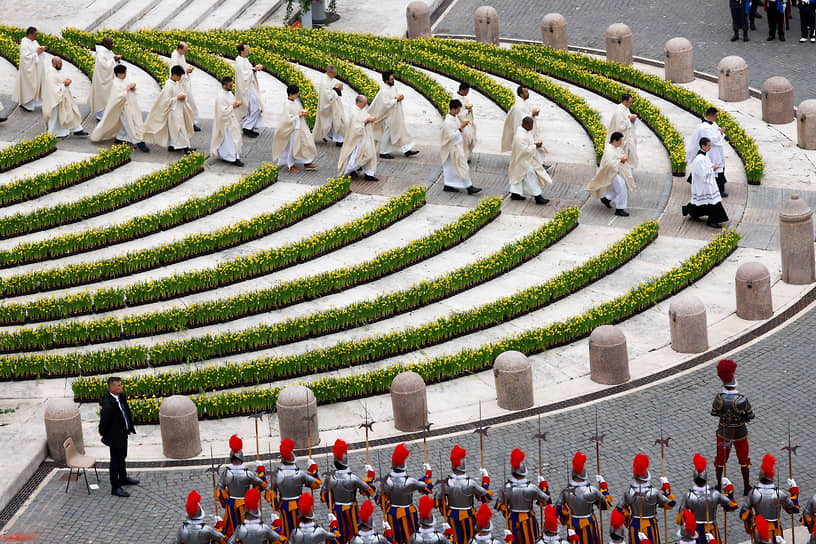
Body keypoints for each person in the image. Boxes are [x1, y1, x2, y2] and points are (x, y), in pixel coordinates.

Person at [710, 360, 754, 496]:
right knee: (744, 459)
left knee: (720, 459)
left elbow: (714, 413)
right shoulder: (742, 399)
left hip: (724, 431)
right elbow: (750, 416)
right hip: (740, 431)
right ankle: (747, 486)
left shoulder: (719, 398)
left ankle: (718, 485)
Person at [320, 439, 376, 544]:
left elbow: (324, 496)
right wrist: (370, 476)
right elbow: (369, 491)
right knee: (354, 534)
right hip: (351, 509)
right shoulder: (353, 478)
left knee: (339, 534)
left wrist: (330, 506)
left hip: (336, 509)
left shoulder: (329, 478)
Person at [675, 454, 738, 544]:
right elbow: (731, 506)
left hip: (695, 529)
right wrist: (729, 488)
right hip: (711, 528)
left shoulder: (688, 495)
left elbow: (680, 519)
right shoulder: (714, 494)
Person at [614, 454, 675, 544]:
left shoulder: (629, 491)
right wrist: (666, 488)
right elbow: (670, 504)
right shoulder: (653, 492)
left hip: (634, 525)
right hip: (650, 525)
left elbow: (619, 510)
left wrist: (627, 521)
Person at [436, 445, 491, 544]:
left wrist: (445, 513)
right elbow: (485, 495)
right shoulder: (471, 483)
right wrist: (486, 478)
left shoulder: (446, 483)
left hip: (452, 514)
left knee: (455, 539)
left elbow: (439, 500)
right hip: (468, 514)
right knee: (469, 538)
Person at [555, 451, 613, 544]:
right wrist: (603, 485)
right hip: (589, 521)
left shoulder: (565, 491)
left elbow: (557, 509)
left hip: (572, 523)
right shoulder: (592, 490)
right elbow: (605, 503)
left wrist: (565, 516)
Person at [217, 435, 268, 538]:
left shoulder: (226, 473)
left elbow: (219, 490)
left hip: (231, 504)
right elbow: (263, 484)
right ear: (242, 458)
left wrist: (226, 500)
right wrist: (261, 470)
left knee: (231, 529)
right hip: (246, 505)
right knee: (248, 530)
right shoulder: (248, 474)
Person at [90, 64, 149, 152]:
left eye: (125, 72)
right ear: (118, 74)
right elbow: (117, 97)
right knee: (130, 125)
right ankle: (139, 142)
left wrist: (132, 87)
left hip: (130, 106)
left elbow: (129, 88)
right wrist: (127, 89)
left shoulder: (124, 80)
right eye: (123, 73)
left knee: (126, 124)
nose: (125, 74)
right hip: (122, 108)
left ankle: (121, 137)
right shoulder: (115, 83)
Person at [740, 455, 799, 542]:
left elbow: (745, 514)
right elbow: (793, 509)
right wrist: (794, 490)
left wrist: (749, 528)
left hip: (758, 529)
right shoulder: (779, 493)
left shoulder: (753, 493)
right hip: (775, 530)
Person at [382, 443, 433, 544]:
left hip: (392, 512)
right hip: (408, 512)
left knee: (396, 537)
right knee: (411, 536)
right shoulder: (410, 481)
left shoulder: (386, 480)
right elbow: (426, 486)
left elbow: (381, 499)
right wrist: (428, 473)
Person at [498, 448, 551, 544]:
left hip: (512, 519)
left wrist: (507, 514)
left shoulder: (505, 487)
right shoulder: (531, 488)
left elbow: (501, 506)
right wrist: (543, 485)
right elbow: (546, 500)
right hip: (528, 519)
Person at [272, 437, 321, 540]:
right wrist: (314, 470)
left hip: (283, 505)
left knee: (286, 532)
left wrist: (275, 504)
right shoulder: (300, 474)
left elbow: (270, 492)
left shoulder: (276, 474)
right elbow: (316, 484)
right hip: (299, 505)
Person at [97, 376, 139, 498]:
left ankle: (123, 478)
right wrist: (107, 436)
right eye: (119, 385)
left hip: (123, 434)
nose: (121, 387)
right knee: (115, 461)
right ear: (112, 387)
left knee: (122, 457)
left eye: (121, 384)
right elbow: (103, 424)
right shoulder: (108, 405)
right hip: (115, 438)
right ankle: (115, 487)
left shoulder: (121, 397)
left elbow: (126, 412)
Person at [143, 64, 195, 153]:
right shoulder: (168, 86)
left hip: (179, 108)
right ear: (174, 75)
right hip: (173, 110)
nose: (180, 78)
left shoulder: (175, 82)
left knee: (176, 129)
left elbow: (182, 87)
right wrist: (177, 98)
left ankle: (173, 145)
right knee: (179, 128)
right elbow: (165, 101)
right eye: (179, 76)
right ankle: (186, 148)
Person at [369, 70, 420, 159]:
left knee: (400, 131)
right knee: (388, 133)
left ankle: (406, 150)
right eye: (391, 79)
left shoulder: (392, 87)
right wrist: (397, 100)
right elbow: (386, 104)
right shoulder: (384, 90)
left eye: (393, 79)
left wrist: (399, 97)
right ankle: (383, 152)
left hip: (394, 114)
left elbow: (395, 97)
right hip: (388, 116)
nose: (393, 81)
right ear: (386, 81)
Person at [681, 138, 728, 228]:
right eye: (708, 145)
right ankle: (712, 221)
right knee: (714, 202)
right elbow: (701, 173)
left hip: (707, 182)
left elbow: (707, 166)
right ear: (703, 146)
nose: (710, 147)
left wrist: (712, 166)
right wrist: (712, 169)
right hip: (704, 184)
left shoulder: (704, 156)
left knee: (704, 202)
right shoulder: (699, 159)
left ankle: (689, 210)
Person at [586, 131, 635, 217]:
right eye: (620, 141)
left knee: (619, 189)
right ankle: (619, 209)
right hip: (612, 173)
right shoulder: (609, 150)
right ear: (615, 141)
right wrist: (620, 160)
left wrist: (623, 157)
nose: (621, 143)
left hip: (616, 171)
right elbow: (609, 163)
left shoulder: (616, 148)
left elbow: (620, 154)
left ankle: (606, 199)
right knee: (621, 188)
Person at [271, 84, 319, 173]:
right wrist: (298, 115)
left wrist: (302, 113)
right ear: (291, 94)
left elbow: (297, 111)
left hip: (300, 126)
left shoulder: (295, 101)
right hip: (292, 129)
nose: (298, 95)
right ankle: (290, 164)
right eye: (296, 93)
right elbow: (287, 119)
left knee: (307, 143)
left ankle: (307, 162)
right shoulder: (287, 104)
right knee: (292, 147)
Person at [440, 100, 482, 195]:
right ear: (453, 109)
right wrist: (461, 128)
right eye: (458, 109)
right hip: (452, 149)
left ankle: (449, 184)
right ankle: (469, 187)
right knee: (462, 167)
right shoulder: (448, 122)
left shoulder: (454, 118)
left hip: (457, 146)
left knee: (453, 168)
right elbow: (451, 137)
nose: (459, 111)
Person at [508, 116, 552, 205]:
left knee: (520, 177)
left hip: (526, 159)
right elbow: (524, 150)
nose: (532, 127)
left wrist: (535, 144)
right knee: (531, 177)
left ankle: (515, 194)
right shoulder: (520, 136)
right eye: (530, 125)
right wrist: (535, 146)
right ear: (525, 124)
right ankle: (538, 197)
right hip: (524, 161)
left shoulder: (525, 132)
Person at [687, 108, 728, 198]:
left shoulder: (712, 123)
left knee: (718, 169)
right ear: (711, 115)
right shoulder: (704, 127)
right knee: (713, 169)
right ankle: (718, 190)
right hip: (711, 152)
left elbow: (716, 133)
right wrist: (720, 133)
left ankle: (718, 189)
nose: (717, 118)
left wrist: (720, 132)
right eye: (716, 116)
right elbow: (710, 139)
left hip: (716, 151)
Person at [41, 56, 87, 138]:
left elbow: (59, 81)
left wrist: (65, 82)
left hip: (62, 97)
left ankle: (77, 129)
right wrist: (64, 85)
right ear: (55, 64)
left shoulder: (55, 71)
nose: (61, 65)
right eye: (60, 63)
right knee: (55, 118)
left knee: (70, 113)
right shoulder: (51, 73)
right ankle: (51, 133)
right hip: (55, 100)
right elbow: (52, 89)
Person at [338, 95, 378, 181]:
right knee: (360, 155)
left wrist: (369, 118)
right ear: (359, 103)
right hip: (357, 139)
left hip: (366, 136)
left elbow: (364, 116)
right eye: (364, 103)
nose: (366, 105)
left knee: (370, 154)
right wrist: (366, 122)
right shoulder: (354, 113)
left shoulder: (361, 110)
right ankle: (350, 170)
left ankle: (369, 174)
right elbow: (355, 128)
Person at [211, 76, 244, 167]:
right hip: (226, 124)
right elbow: (222, 112)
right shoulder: (220, 96)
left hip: (232, 120)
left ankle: (234, 156)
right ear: (224, 85)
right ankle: (232, 157)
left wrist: (235, 106)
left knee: (234, 140)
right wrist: (233, 106)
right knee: (231, 141)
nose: (231, 87)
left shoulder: (229, 93)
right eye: (230, 85)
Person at [234, 43, 263, 138]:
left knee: (255, 107)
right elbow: (243, 75)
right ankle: (247, 127)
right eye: (246, 49)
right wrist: (254, 70)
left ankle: (247, 126)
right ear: (242, 51)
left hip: (249, 86)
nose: (248, 50)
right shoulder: (239, 61)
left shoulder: (245, 59)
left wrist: (254, 69)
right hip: (245, 88)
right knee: (255, 108)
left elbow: (248, 71)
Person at [170, 41, 200, 131]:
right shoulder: (175, 57)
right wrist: (186, 70)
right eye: (185, 50)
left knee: (191, 103)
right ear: (179, 49)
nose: (186, 52)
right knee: (185, 104)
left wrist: (188, 68)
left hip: (185, 83)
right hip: (180, 84)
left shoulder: (181, 55)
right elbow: (176, 70)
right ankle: (188, 124)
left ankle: (193, 122)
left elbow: (183, 65)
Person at [501, 86, 540, 155]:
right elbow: (523, 119)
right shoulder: (519, 105)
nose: (528, 93)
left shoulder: (524, 102)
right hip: (523, 132)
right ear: (521, 94)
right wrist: (532, 114)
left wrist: (533, 113)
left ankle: (538, 164)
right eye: (526, 92)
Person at [14, 26, 45, 111]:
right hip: (28, 70)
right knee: (30, 86)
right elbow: (25, 57)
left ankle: (34, 103)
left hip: (36, 69)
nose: (36, 36)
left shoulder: (33, 41)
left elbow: (36, 50)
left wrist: (40, 49)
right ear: (30, 34)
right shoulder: (24, 43)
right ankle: (26, 104)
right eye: (35, 34)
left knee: (37, 85)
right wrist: (36, 53)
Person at [89, 36, 120, 121]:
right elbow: (104, 66)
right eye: (111, 44)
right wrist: (113, 60)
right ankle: (101, 116)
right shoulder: (101, 53)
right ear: (105, 44)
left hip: (109, 79)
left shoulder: (108, 51)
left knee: (109, 97)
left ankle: (107, 115)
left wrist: (117, 61)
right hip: (102, 80)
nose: (112, 46)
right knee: (102, 97)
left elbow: (112, 61)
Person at [314, 65, 346, 146]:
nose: (335, 75)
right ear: (328, 72)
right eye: (334, 73)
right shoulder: (324, 81)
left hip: (334, 105)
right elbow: (327, 95)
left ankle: (339, 139)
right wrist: (336, 88)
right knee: (338, 121)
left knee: (339, 121)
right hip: (328, 105)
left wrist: (338, 87)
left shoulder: (330, 79)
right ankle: (338, 140)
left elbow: (333, 90)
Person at [608, 94, 639, 169]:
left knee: (631, 154)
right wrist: (630, 120)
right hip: (622, 137)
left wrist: (631, 117)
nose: (631, 104)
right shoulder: (620, 110)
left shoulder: (625, 108)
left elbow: (627, 116)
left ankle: (627, 169)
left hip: (628, 135)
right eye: (630, 102)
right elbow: (620, 126)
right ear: (625, 101)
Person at [452, 82, 477, 161]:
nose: (468, 92)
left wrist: (469, 111)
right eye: (467, 91)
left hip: (467, 121)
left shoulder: (465, 98)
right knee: (464, 140)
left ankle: (466, 155)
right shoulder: (456, 98)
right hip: (459, 122)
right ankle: (463, 157)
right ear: (463, 90)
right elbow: (457, 113)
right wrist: (467, 111)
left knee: (471, 139)